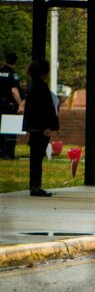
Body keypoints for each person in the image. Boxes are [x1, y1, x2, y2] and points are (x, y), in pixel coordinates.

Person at [23, 60, 59, 197]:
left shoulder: (32, 86)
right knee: (38, 158)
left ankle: (34, 184)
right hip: (42, 128)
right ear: (44, 73)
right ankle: (36, 186)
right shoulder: (42, 88)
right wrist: (52, 126)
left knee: (35, 157)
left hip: (34, 127)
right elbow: (48, 109)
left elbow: (30, 110)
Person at [0, 52, 23, 159]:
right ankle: (8, 154)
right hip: (8, 105)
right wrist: (20, 104)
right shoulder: (13, 74)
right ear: (15, 62)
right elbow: (14, 90)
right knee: (10, 129)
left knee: (1, 128)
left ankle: (1, 151)